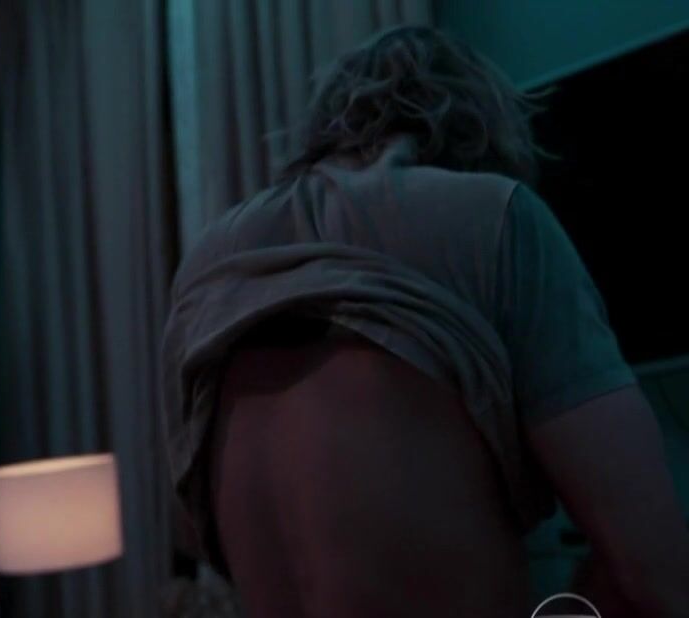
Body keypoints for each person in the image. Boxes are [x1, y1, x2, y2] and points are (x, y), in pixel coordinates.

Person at [162, 25, 689, 617]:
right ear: (482, 128)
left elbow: (194, 531)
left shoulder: (204, 269)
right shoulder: (494, 216)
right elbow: (654, 571)